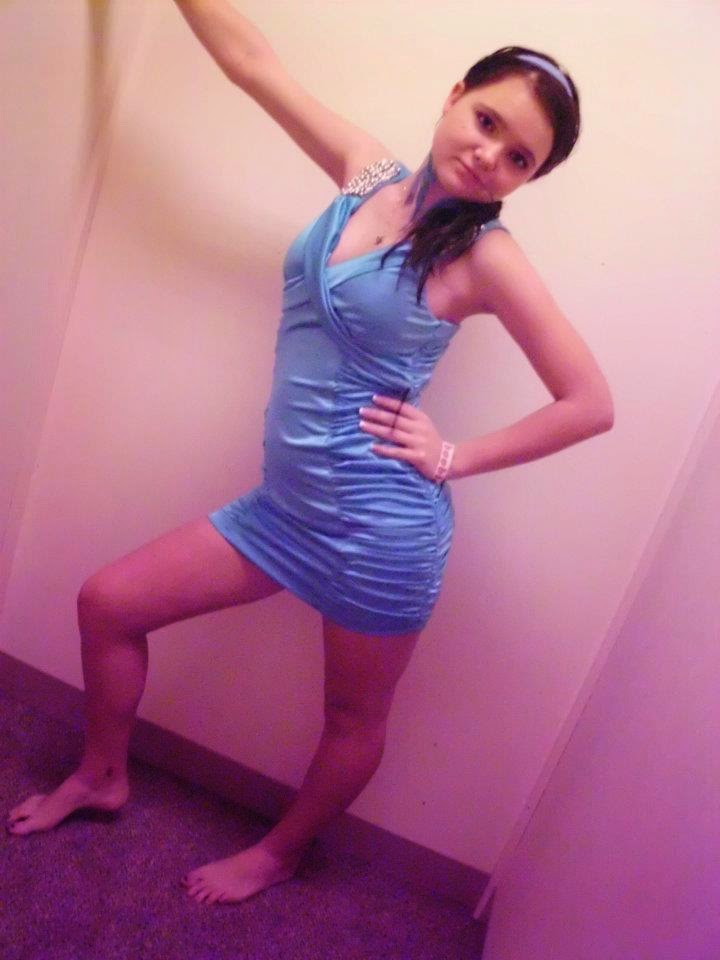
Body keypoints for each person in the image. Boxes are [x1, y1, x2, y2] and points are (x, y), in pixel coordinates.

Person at [6, 0, 613, 907]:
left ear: (527, 179)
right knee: (109, 603)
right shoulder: (368, 173)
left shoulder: (487, 258)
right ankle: (102, 775)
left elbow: (590, 402)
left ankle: (281, 851)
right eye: (488, 121)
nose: (492, 154)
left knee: (351, 715)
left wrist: (454, 456)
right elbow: (252, 63)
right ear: (455, 96)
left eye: (520, 157)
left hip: (380, 534)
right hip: (282, 510)